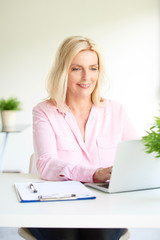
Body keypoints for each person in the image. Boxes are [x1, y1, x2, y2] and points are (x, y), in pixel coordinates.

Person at [29, 36, 138, 240]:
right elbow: (46, 164)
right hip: (56, 206)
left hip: (104, 207)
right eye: (76, 68)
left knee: (99, 233)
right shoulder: (44, 111)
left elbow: (137, 158)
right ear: (63, 72)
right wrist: (95, 173)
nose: (86, 77)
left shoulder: (115, 110)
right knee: (66, 235)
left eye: (93, 68)